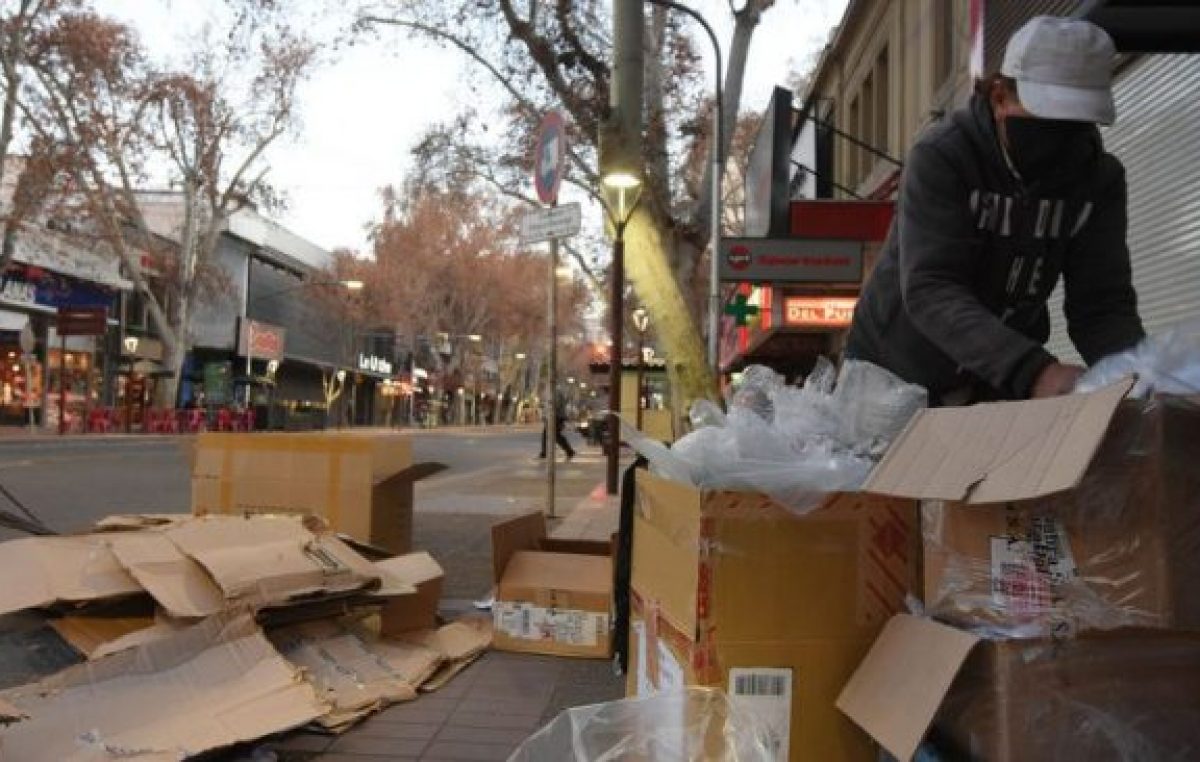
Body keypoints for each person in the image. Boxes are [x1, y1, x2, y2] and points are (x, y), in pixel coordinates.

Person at [846, 16, 1144, 405]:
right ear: (1000, 97)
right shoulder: (943, 156)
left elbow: (1101, 305)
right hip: (891, 377)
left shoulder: (1097, 181)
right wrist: (1034, 371)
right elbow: (931, 287)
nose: (1061, 137)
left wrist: (1138, 378)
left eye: (1077, 122)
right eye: (1047, 118)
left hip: (994, 381)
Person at [537, 393, 575, 460]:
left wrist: (547, 410)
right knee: (555, 435)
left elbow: (555, 405)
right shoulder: (552, 391)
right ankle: (569, 451)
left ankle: (544, 453)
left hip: (556, 417)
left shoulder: (555, 392)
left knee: (550, 434)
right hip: (554, 416)